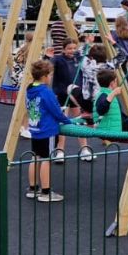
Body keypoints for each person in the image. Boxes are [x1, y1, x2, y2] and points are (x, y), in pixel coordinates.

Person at [25, 59, 71, 203]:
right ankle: (46, 191)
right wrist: (67, 120)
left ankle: (33, 188)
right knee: (46, 159)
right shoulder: (46, 91)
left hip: (35, 128)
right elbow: (56, 111)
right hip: (47, 130)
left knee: (35, 157)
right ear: (45, 76)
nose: (51, 77)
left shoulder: (30, 89)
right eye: (50, 75)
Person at [50, 39, 88, 163]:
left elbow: (87, 54)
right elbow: (48, 65)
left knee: (80, 122)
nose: (72, 51)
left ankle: (84, 149)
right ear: (64, 49)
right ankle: (60, 151)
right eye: (69, 48)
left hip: (76, 95)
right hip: (61, 94)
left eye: (74, 48)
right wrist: (47, 57)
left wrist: (87, 43)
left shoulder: (78, 59)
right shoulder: (58, 59)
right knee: (63, 123)